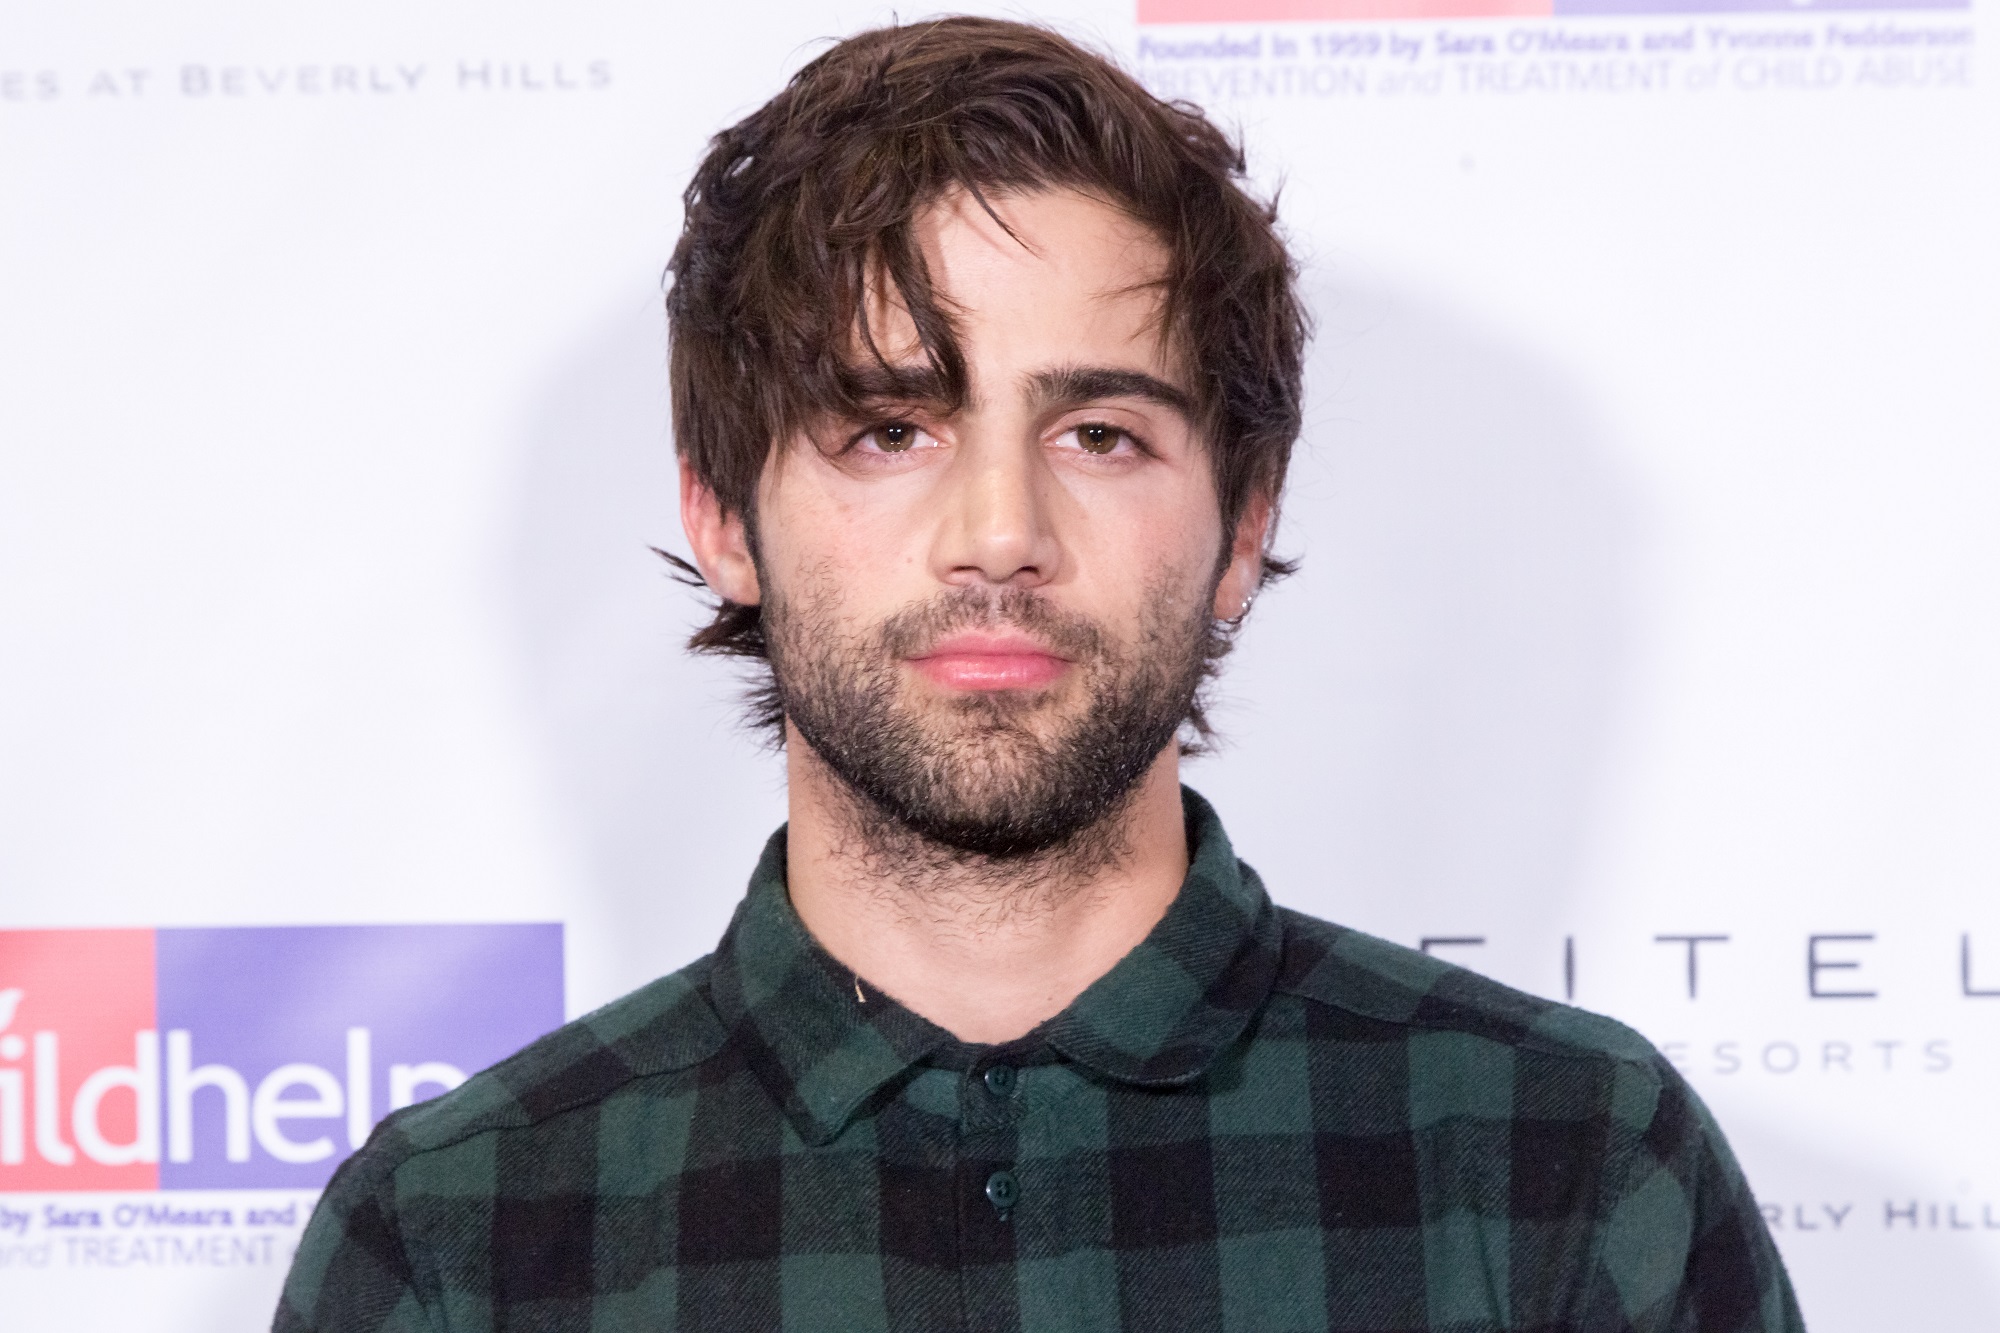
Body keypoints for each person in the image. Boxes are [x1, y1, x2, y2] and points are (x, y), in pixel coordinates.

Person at [275, 17, 1801, 1332]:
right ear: (721, 520)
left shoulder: (1570, 1165)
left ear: (1240, 529)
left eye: (1101, 434)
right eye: (888, 429)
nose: (999, 533)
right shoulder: (460, 1238)